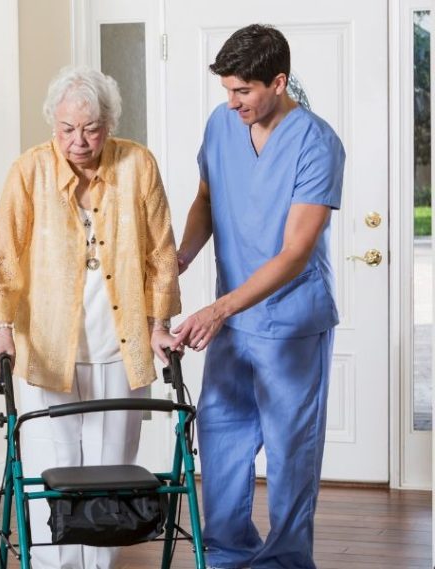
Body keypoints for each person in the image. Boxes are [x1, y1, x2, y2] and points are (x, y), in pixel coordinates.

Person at [0, 65, 182, 569]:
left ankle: (100, 565)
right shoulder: (29, 171)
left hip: (122, 343)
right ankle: (59, 566)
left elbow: (160, 252)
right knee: (55, 464)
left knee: (112, 469)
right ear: (54, 124)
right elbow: (1, 257)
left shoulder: (138, 165)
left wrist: (159, 326)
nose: (78, 140)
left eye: (90, 128)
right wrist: (0, 333)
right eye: (67, 128)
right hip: (48, 346)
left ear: (108, 124)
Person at [170, 24, 345, 569]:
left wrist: (219, 308)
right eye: (227, 90)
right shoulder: (222, 125)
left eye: (243, 91)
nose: (233, 102)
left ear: (278, 81)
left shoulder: (317, 142)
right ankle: (227, 554)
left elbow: (295, 251)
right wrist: (179, 260)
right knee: (221, 437)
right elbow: (205, 198)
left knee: (290, 450)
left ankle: (287, 560)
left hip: (291, 321)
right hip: (233, 320)